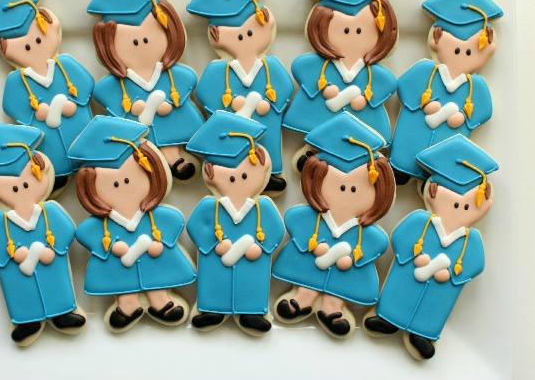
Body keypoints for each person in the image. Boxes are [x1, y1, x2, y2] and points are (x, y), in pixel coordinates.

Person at [363, 134, 498, 360]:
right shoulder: (420, 222)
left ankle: (422, 335)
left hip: (443, 286)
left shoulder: (471, 239)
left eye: (466, 206)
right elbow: (400, 239)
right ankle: (388, 320)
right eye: (453, 202)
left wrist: (451, 272)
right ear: (432, 191)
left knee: (434, 308)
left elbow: (476, 265)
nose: (458, 209)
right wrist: (415, 257)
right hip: (409, 273)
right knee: (400, 295)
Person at [272, 112, 395, 338]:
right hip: (310, 262)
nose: (347, 193)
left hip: (346, 271)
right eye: (339, 186)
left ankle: (332, 308)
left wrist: (350, 256)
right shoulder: (312, 218)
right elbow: (294, 220)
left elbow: (378, 243)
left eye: (355, 189)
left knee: (342, 284)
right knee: (306, 277)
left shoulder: (365, 232)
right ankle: (303, 298)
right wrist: (316, 246)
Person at [68, 116, 196, 333]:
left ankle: (160, 301)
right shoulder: (102, 225)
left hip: (154, 258)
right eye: (112, 184)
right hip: (118, 265)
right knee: (122, 282)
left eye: (128, 180)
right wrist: (112, 246)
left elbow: (174, 221)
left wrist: (158, 244)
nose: (123, 187)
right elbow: (85, 233)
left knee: (157, 277)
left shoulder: (155, 216)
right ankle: (127, 306)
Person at [0, 124, 86, 346]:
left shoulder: (50, 212)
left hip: (50, 262)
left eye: (26, 183)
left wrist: (53, 250)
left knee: (56, 287)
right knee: (21, 292)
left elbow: (68, 231)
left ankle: (62, 313)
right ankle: (27, 322)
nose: (21, 190)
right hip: (17, 270)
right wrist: (12, 255)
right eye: (12, 187)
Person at [0, 0, 94, 194]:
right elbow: (12, 108)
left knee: (86, 151)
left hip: (79, 129)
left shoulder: (66, 65)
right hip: (47, 140)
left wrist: (71, 105)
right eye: (24, 47)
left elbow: (86, 86)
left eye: (38, 39)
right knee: (53, 161)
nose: (34, 47)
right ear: (4, 49)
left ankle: (88, 166)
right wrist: (37, 113)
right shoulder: (16, 81)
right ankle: (57, 177)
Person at [87, 0, 204, 181]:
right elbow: (102, 93)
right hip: (138, 133)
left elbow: (188, 79)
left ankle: (174, 158)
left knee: (171, 136)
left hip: (172, 122)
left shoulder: (173, 74)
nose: (140, 44)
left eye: (148, 37)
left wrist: (166, 103)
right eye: (130, 41)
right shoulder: (116, 84)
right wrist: (135, 107)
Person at [282, 0, 398, 172]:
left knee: (363, 139)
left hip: (362, 123)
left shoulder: (373, 74)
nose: (353, 35)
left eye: (361, 30)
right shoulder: (319, 66)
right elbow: (300, 68)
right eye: (344, 30)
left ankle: (364, 159)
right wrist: (327, 90)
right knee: (318, 135)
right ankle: (314, 155)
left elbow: (388, 83)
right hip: (320, 117)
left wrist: (362, 98)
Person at [187, 0, 294, 193]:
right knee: (233, 150)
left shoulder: (270, 66)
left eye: (250, 32)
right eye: (236, 35)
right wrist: (229, 107)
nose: (244, 39)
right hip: (232, 123)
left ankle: (271, 174)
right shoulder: (218, 70)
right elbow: (205, 92)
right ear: (217, 36)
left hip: (266, 116)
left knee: (269, 140)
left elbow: (285, 88)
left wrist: (269, 105)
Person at [389, 0, 503, 184]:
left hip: (447, 142)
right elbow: (404, 87)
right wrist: (424, 104)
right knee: (405, 158)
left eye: (469, 51)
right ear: (436, 40)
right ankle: (401, 170)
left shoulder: (475, 86)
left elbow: (484, 111)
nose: (461, 55)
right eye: (456, 49)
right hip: (413, 136)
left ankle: (431, 179)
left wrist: (462, 116)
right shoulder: (425, 71)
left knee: (440, 167)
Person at [186, 111, 285, 335]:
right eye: (230, 177)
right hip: (216, 257)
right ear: (211, 175)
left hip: (253, 258)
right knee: (214, 282)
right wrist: (214, 245)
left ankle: (251, 312)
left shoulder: (263, 207)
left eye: (245, 175)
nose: (237, 181)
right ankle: (211, 310)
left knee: (251, 284)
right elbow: (195, 228)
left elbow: (277, 230)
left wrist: (260, 247)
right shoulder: (210, 206)